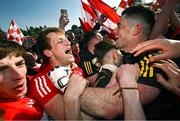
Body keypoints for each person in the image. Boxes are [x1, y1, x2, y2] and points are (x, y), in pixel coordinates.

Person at [79, 5, 180, 119]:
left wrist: (71, 92)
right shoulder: (128, 57)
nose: (115, 31)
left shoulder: (153, 59)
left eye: (119, 26)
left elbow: (108, 105)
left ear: (136, 29)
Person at [29, 27, 87, 120]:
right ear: (48, 53)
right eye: (60, 41)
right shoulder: (41, 80)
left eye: (67, 39)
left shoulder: (76, 68)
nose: (69, 43)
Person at [0, 40, 43, 120]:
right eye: (2, 69)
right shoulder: (9, 116)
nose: (19, 75)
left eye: (19, 64)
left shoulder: (35, 81)